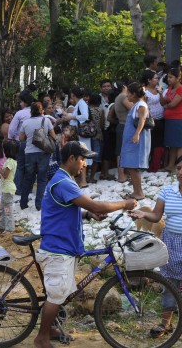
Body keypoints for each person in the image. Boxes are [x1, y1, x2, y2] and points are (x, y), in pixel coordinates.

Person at [33, 141, 136, 348]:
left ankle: (49, 328)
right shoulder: (63, 183)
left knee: (60, 293)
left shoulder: (64, 180)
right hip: (58, 249)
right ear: (71, 158)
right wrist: (124, 204)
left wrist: (88, 214)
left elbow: (65, 210)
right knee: (56, 296)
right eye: (82, 159)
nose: (85, 164)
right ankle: (41, 338)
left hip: (64, 247)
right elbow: (96, 204)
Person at [128, 155, 182, 338]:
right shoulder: (167, 192)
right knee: (169, 283)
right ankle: (165, 324)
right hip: (172, 243)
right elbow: (156, 216)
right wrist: (142, 214)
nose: (181, 172)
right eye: (179, 168)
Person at [18, 102, 57, 210]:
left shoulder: (26, 123)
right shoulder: (46, 121)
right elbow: (53, 136)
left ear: (31, 112)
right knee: (42, 178)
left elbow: (21, 138)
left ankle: (23, 203)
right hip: (43, 152)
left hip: (29, 153)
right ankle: (38, 204)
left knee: (28, 178)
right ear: (42, 111)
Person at [119, 83, 151, 200]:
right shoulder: (136, 105)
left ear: (134, 94)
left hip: (136, 140)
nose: (126, 95)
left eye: (128, 93)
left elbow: (142, 120)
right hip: (131, 140)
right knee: (131, 166)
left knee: (134, 166)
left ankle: (139, 192)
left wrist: (137, 134)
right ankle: (136, 191)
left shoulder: (141, 105)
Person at [8, 91, 34, 190]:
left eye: (21, 102)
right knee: (30, 167)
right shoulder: (36, 112)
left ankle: (18, 188)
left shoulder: (20, 113)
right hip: (34, 143)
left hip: (21, 142)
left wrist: (11, 139)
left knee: (19, 166)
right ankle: (29, 188)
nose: (20, 103)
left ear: (25, 102)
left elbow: (11, 129)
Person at [142, 69, 166, 171]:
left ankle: (157, 164)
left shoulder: (158, 89)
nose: (157, 80)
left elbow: (163, 103)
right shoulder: (144, 91)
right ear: (149, 80)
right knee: (151, 142)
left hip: (161, 118)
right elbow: (144, 105)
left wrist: (160, 93)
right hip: (151, 120)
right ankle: (148, 164)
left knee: (160, 142)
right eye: (156, 78)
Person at [164, 67, 182, 172]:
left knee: (179, 143)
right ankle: (171, 165)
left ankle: (179, 166)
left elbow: (172, 104)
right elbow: (165, 101)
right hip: (170, 119)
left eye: (171, 77)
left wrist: (166, 105)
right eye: (168, 77)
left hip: (178, 119)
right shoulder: (170, 88)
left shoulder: (180, 89)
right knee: (172, 144)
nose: (169, 79)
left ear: (178, 77)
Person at [0, 140, 18, 233]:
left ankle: (9, 228)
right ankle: (2, 225)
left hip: (8, 188)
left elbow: (5, 175)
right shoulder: (11, 161)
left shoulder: (10, 162)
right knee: (3, 208)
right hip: (6, 188)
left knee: (7, 209)